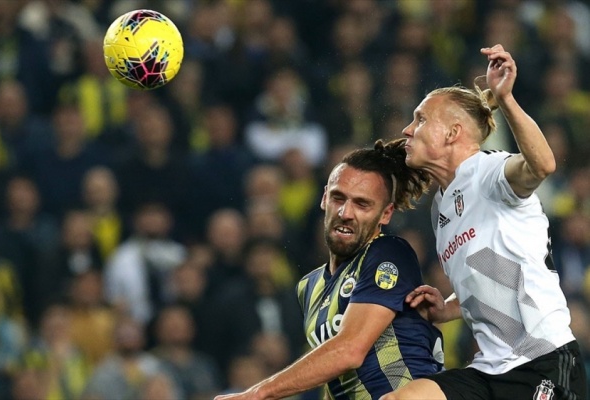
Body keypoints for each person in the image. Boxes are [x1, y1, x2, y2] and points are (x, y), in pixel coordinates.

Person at [380, 44, 587, 400]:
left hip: (542, 361)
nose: (407, 129)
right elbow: (494, 270)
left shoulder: (487, 170)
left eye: (421, 119)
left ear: (452, 132)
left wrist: (505, 99)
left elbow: (543, 166)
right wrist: (448, 307)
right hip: (488, 369)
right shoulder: (441, 207)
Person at [215, 138, 443, 400]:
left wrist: (256, 394)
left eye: (362, 204)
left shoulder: (388, 254)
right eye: (338, 198)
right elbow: (336, 379)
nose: (346, 212)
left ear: (386, 214)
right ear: (324, 198)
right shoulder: (308, 287)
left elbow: (349, 350)